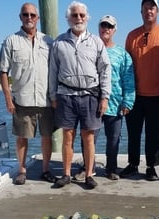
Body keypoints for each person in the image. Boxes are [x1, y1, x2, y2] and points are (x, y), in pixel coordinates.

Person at [49, 1, 111, 189]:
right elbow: (53, 70)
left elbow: (105, 70)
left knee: (88, 136)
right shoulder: (59, 42)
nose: (78, 18)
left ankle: (89, 174)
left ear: (87, 18)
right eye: (75, 15)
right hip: (65, 95)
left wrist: (105, 97)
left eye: (82, 15)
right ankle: (66, 174)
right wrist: (53, 95)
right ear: (68, 18)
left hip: (90, 96)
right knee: (68, 135)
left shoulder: (96, 42)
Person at [0, 2, 55, 185]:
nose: (29, 17)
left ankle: (45, 169)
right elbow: (3, 72)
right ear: (20, 17)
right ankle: (22, 170)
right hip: (21, 99)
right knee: (22, 137)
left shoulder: (49, 41)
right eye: (25, 14)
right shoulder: (11, 41)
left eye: (32, 14)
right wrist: (8, 99)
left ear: (38, 18)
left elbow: (56, 69)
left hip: (46, 99)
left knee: (47, 137)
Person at [119, 0, 159, 181]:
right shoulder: (132, 35)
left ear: (157, 11)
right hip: (135, 95)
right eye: (145, 8)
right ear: (141, 11)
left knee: (154, 133)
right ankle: (133, 163)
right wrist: (126, 91)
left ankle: (151, 166)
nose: (148, 11)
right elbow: (126, 64)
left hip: (158, 96)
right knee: (133, 132)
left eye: (152, 7)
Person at [75, 15, 135, 181]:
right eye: (103, 25)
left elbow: (128, 80)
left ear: (114, 30)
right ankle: (88, 167)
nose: (106, 29)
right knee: (88, 137)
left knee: (113, 139)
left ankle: (111, 168)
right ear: (98, 27)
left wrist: (128, 102)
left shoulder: (123, 54)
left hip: (115, 104)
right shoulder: (89, 48)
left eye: (109, 26)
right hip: (91, 101)